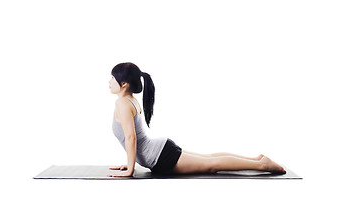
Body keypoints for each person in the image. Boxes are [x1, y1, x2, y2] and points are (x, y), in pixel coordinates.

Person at [108, 62, 286, 177]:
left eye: (113, 78)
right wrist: (130, 162)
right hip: (160, 150)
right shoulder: (129, 99)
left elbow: (131, 138)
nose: (109, 81)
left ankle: (262, 165)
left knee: (211, 165)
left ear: (124, 84)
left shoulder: (123, 103)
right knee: (209, 159)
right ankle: (256, 159)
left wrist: (131, 170)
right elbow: (132, 139)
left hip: (159, 157)